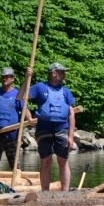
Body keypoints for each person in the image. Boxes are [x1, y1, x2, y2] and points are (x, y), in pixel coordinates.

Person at [18, 62, 76, 191]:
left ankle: (65, 192)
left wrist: (71, 136)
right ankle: (45, 192)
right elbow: (21, 97)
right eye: (62, 72)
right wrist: (26, 79)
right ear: (54, 73)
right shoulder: (40, 87)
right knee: (45, 161)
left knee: (63, 160)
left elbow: (71, 114)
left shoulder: (66, 92)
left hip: (62, 128)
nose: (64, 74)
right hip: (44, 127)